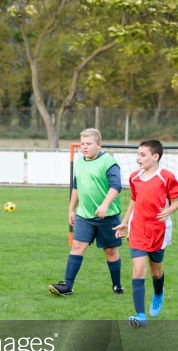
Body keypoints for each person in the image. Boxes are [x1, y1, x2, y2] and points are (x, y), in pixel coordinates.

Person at [113, 140, 178, 327]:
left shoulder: (166, 177)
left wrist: (168, 211)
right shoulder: (135, 177)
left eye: (142, 155)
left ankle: (158, 293)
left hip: (159, 231)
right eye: (138, 154)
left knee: (156, 272)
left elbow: (177, 202)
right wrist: (125, 222)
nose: (138, 158)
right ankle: (140, 316)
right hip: (138, 229)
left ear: (155, 157)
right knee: (138, 269)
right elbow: (134, 200)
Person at [49, 127, 124, 297]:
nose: (84, 147)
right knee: (77, 246)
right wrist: (71, 209)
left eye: (88, 143)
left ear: (99, 145)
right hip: (84, 215)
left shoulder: (109, 162)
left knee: (110, 251)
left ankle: (117, 285)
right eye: (82, 143)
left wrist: (105, 205)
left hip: (108, 216)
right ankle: (67, 286)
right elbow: (76, 187)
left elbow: (116, 186)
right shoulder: (80, 161)